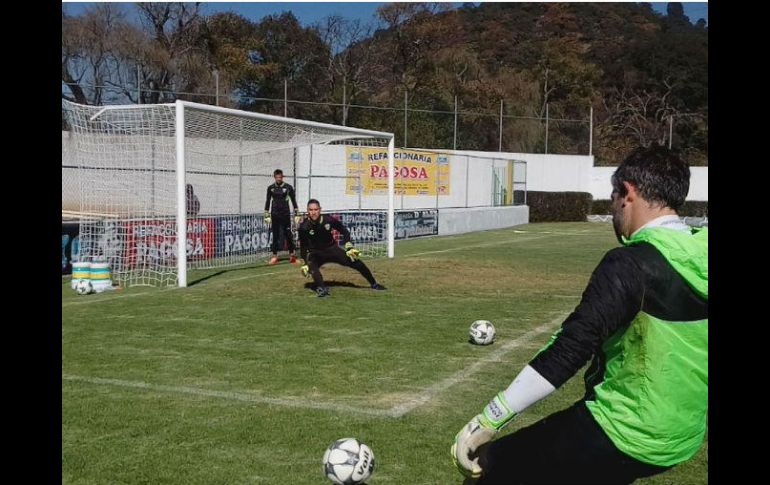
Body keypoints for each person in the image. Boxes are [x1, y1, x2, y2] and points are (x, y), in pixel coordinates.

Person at [451, 144, 708, 484]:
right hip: (683, 437)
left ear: (626, 194)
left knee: (489, 467)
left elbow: (569, 349)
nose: (613, 211)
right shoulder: (701, 251)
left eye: (613, 199)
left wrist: (489, 418)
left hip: (625, 430)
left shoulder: (629, 264)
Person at [297, 199, 386, 297]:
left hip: (331, 249)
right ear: (307, 210)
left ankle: (374, 284)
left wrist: (348, 245)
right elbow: (303, 246)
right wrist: (305, 263)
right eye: (311, 210)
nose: (313, 212)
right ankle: (322, 289)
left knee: (356, 262)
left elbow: (344, 231)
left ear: (320, 210)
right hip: (316, 253)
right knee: (312, 267)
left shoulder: (328, 220)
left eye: (315, 209)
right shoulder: (304, 227)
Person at [264, 169, 300, 264]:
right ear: (274, 177)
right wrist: (266, 214)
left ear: (282, 177)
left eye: (280, 177)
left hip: (285, 214)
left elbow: (293, 200)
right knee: (275, 235)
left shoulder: (288, 187)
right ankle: (274, 256)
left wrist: (296, 213)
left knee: (288, 235)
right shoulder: (270, 188)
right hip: (275, 214)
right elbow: (268, 201)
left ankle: (292, 256)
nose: (279, 179)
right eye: (277, 177)